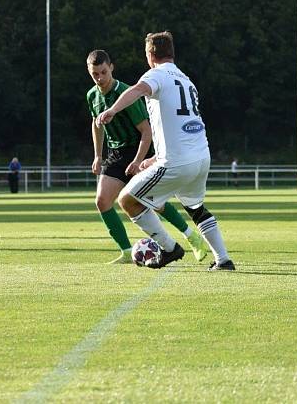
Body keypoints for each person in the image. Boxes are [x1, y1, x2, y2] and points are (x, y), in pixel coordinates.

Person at [97, 32, 234, 271]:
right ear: (172, 53)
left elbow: (136, 90)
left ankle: (169, 249)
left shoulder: (156, 74)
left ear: (150, 55)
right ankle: (223, 260)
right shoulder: (186, 79)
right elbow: (180, 127)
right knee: (196, 208)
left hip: (178, 162)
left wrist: (113, 110)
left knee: (127, 200)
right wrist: (153, 159)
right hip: (201, 157)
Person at [87, 49, 209, 264]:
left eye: (103, 72)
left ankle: (192, 236)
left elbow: (146, 131)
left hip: (138, 150)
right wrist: (98, 155)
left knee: (153, 201)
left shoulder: (125, 94)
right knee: (102, 201)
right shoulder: (93, 96)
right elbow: (96, 124)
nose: (100, 78)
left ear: (111, 67)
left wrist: (137, 161)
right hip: (116, 153)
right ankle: (126, 251)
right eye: (95, 74)